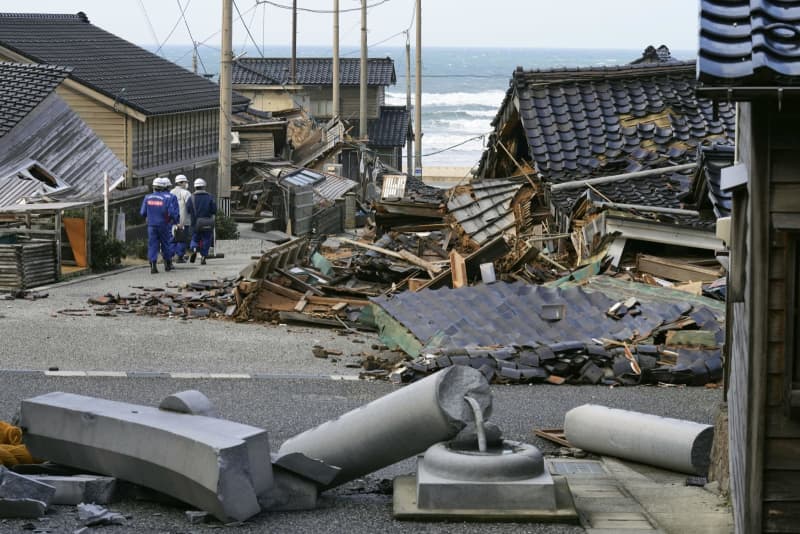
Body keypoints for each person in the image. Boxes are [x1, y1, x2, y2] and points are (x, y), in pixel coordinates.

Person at [140, 177, 179, 274]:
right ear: (163, 187)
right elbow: (171, 213)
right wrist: (173, 221)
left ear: (153, 187)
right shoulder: (166, 199)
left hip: (151, 225)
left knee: (152, 244)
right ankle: (167, 263)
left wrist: (149, 216)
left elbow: (142, 212)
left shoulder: (147, 197)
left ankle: (153, 265)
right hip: (164, 224)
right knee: (166, 244)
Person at [186, 178, 216, 265]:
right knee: (206, 239)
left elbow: (188, 210)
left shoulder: (191, 198)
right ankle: (203, 256)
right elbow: (214, 210)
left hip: (195, 223)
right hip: (207, 222)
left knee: (195, 238)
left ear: (195, 187)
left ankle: (194, 249)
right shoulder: (210, 197)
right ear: (204, 186)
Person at [170, 174, 192, 262]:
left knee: (172, 239)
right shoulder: (186, 193)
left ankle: (170, 257)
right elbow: (190, 206)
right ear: (181, 183)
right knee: (182, 239)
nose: (186, 184)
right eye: (185, 182)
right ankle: (179, 257)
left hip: (172, 220)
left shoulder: (171, 192)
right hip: (184, 220)